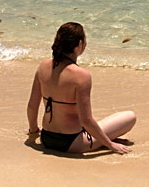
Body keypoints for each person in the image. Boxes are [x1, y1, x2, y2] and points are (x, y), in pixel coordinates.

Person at [27, 22, 136, 154]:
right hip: (73, 143)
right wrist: (110, 144)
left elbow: (32, 106)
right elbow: (86, 121)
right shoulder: (81, 76)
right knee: (130, 117)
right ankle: (104, 139)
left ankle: (103, 137)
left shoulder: (43, 66)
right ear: (79, 44)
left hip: (47, 138)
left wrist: (33, 131)